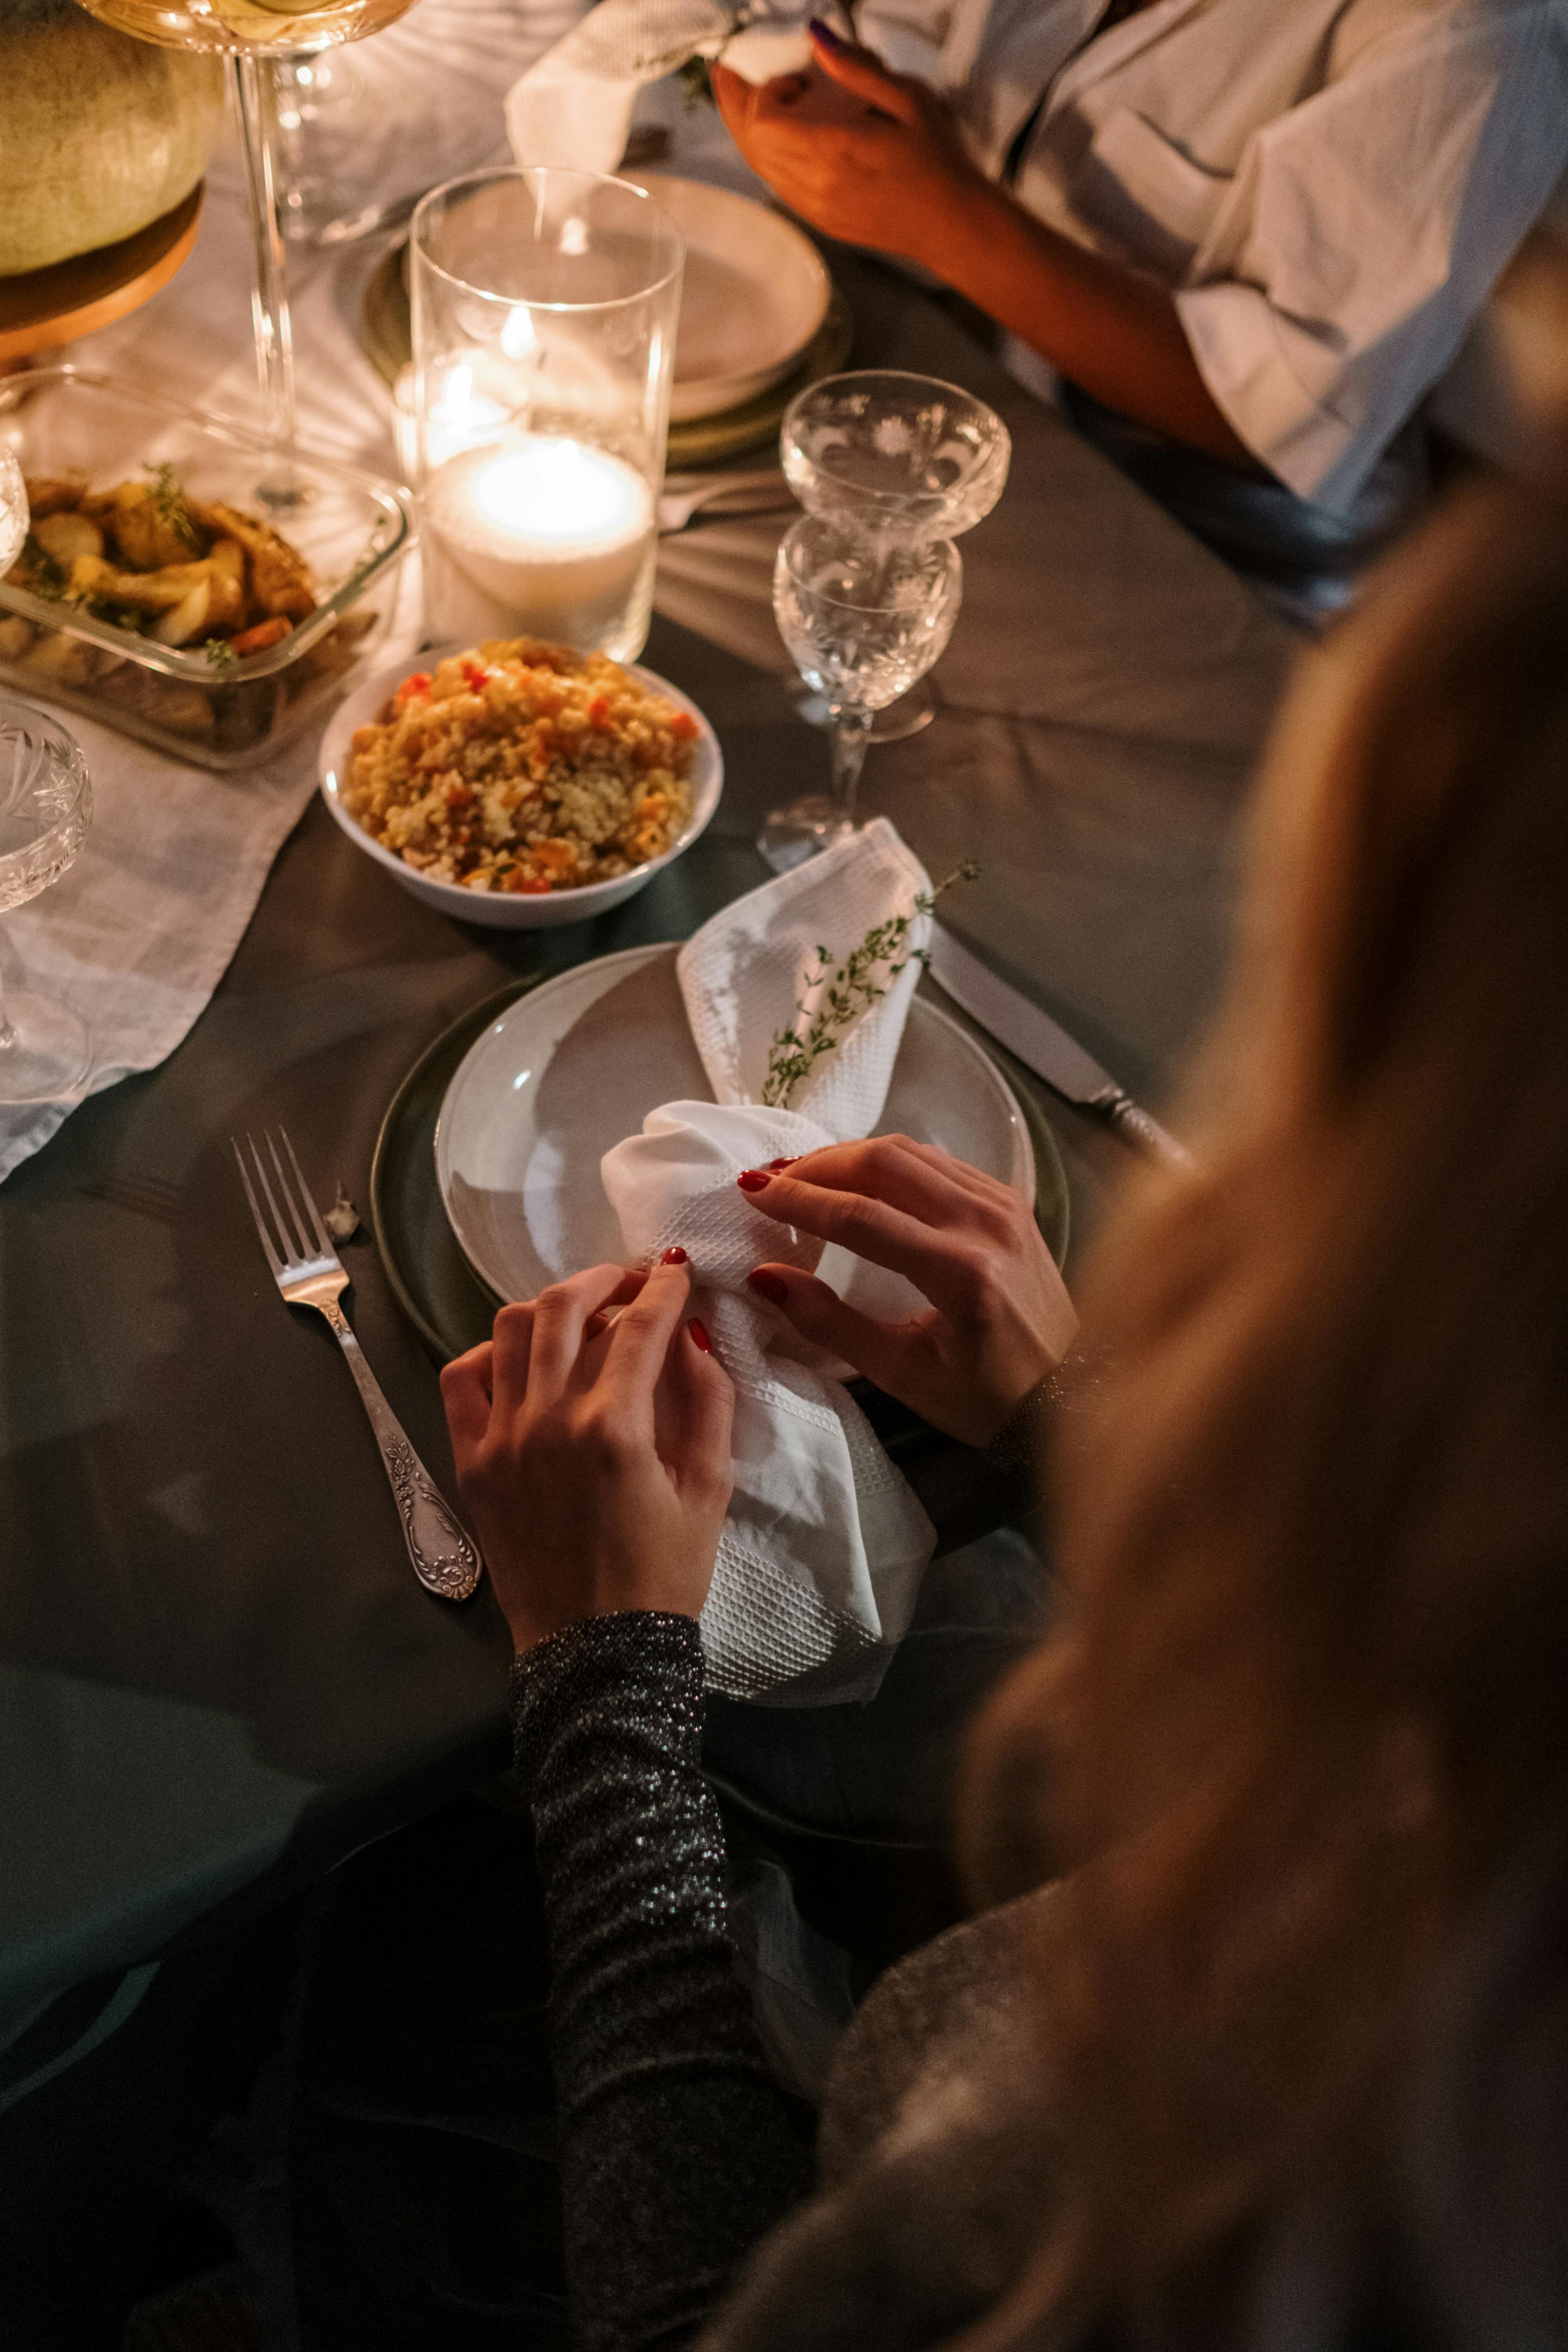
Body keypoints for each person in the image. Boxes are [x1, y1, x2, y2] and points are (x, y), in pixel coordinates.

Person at [427, 440, 1568, 2351]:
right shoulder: (1470, 1735)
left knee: (381, 1993)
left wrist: (607, 1694)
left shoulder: (1284, 2114)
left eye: (1303, 1044)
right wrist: (1072, 1422)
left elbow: (698, 2311)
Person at [711, 0, 1568, 611]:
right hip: (955, 420)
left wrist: (946, 221)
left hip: (1215, 560)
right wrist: (784, 91)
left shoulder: (1467, 33)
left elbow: (1271, 423)